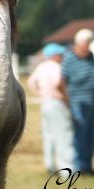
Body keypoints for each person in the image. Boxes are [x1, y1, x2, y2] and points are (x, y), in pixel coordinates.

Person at [27, 43, 74, 173]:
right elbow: (59, 83)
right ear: (54, 56)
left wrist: (41, 93)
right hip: (57, 102)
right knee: (63, 135)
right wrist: (65, 98)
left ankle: (50, 166)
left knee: (49, 136)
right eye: (60, 54)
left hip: (45, 103)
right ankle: (67, 170)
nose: (62, 56)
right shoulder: (58, 67)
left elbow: (31, 82)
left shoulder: (41, 67)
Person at [62, 28, 94, 173]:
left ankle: (88, 166)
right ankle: (79, 167)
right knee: (80, 137)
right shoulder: (69, 58)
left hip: (93, 103)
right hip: (78, 104)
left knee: (91, 136)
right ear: (79, 43)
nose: (89, 46)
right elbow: (63, 81)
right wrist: (68, 102)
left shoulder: (91, 57)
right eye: (87, 43)